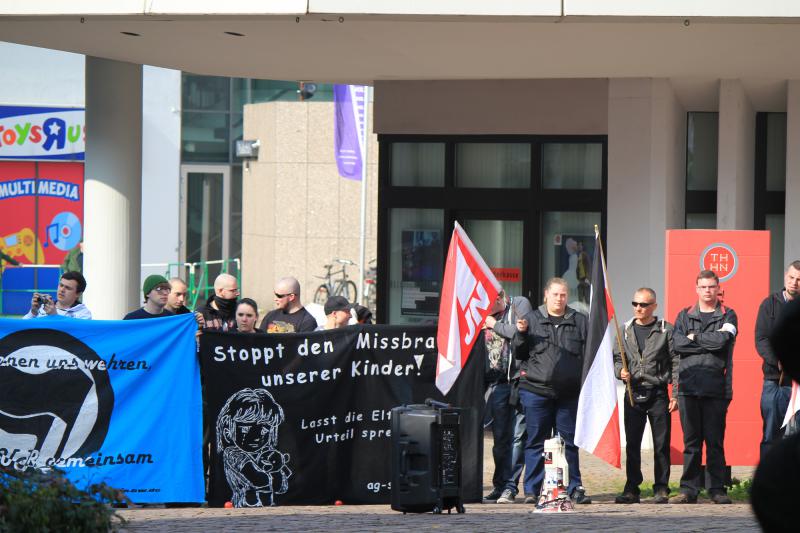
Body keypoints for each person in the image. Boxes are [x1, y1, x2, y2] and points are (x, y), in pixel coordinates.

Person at [512, 277, 591, 505]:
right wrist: (521, 334)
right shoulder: (531, 320)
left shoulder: (580, 321)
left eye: (563, 295)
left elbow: (588, 354)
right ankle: (531, 490)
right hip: (536, 390)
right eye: (555, 294)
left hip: (568, 393)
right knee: (536, 441)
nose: (559, 299)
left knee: (570, 442)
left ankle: (574, 487)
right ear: (546, 295)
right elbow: (519, 353)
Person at [669, 270, 737, 504]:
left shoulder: (728, 315)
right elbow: (677, 344)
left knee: (715, 442)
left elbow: (722, 342)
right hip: (688, 387)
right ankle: (689, 489)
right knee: (691, 443)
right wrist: (705, 341)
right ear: (697, 289)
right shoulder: (684, 314)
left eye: (711, 287)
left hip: (716, 389)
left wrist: (694, 338)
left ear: (718, 289)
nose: (708, 291)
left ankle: (717, 489)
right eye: (703, 287)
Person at [613, 288, 679, 504]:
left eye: (643, 304)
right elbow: (616, 358)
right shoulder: (624, 330)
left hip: (658, 393)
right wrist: (619, 372)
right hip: (632, 393)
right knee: (632, 444)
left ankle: (661, 487)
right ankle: (632, 488)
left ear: (654, 307)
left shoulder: (666, 330)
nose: (638, 308)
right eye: (635, 304)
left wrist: (675, 393)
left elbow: (676, 362)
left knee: (661, 444)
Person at [482, 293, 533, 504]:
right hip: (495, 383)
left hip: (517, 379)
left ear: (500, 296)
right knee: (500, 439)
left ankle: (511, 487)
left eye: (490, 300)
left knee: (518, 436)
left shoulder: (519, 304)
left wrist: (494, 324)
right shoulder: (482, 314)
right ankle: (500, 485)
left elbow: (522, 332)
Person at [755, 260, 800, 459]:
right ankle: (769, 485)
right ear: (785, 276)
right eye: (791, 278)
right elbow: (762, 338)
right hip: (776, 380)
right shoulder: (770, 304)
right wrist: (779, 360)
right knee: (771, 434)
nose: (794, 283)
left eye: (799, 280)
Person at [23, 270, 91, 319]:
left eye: (68, 288)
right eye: (61, 285)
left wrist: (55, 317)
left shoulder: (83, 314)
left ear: (78, 294)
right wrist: (33, 312)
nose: (62, 290)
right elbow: (22, 329)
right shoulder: (44, 306)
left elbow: (74, 336)